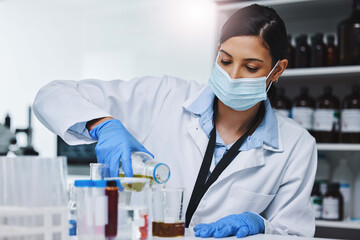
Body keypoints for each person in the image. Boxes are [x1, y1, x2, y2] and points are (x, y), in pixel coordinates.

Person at [33, 4, 317, 238]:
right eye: (225, 60)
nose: (233, 76)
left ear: (277, 70)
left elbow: (293, 234)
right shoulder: (164, 95)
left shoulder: (296, 145)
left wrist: (261, 225)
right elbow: (51, 95)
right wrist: (102, 123)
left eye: (251, 67)